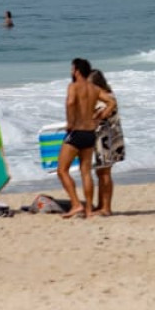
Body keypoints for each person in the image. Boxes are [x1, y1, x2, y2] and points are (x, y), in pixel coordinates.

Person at [56, 58, 100, 219]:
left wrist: (70, 122)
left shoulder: (73, 87)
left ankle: (76, 204)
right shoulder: (94, 89)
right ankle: (88, 210)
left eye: (72, 68)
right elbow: (110, 102)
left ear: (77, 71)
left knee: (62, 170)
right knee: (86, 172)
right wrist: (99, 116)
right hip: (90, 133)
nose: (70, 71)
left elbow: (70, 102)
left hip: (77, 132)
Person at [89, 70, 123, 217]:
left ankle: (106, 207)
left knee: (105, 173)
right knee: (100, 172)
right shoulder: (104, 96)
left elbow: (100, 117)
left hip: (107, 140)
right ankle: (101, 205)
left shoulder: (106, 98)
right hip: (104, 139)